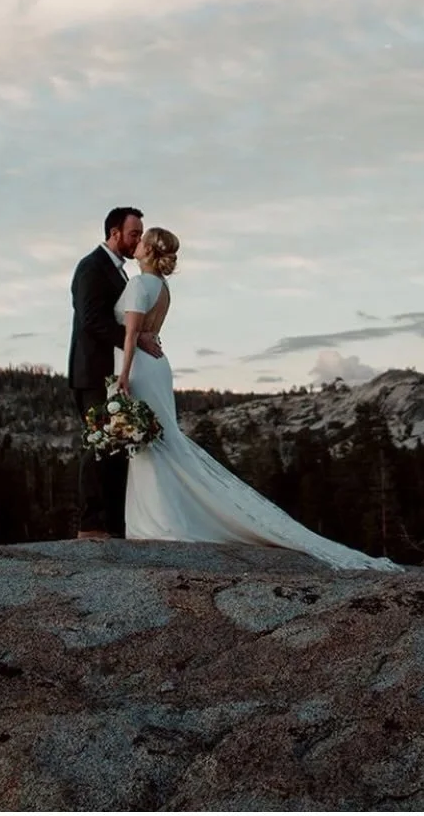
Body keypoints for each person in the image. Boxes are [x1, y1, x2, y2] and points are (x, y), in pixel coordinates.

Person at [116, 226, 402, 571]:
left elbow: (131, 334)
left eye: (142, 241)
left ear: (149, 250)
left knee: (150, 443)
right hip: (159, 366)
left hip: (141, 368)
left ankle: (158, 522)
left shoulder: (139, 284)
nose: (137, 244)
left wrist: (122, 376)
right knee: (160, 440)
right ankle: (164, 517)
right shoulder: (163, 288)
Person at [67, 207, 162, 540]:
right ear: (114, 233)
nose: (138, 240)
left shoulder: (120, 273)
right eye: (134, 234)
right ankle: (90, 526)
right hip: (92, 372)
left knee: (117, 446)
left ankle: (112, 525)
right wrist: (135, 338)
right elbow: (92, 320)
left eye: (140, 234)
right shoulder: (91, 267)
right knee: (100, 443)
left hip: (112, 373)